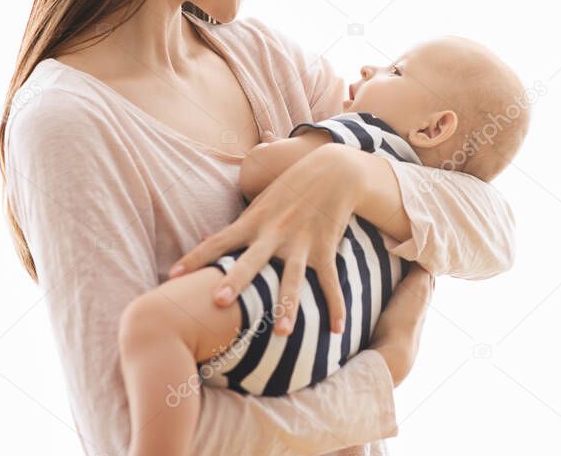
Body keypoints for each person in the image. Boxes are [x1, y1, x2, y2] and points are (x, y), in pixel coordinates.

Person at [0, 0, 516, 455]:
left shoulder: (268, 61)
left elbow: (493, 234)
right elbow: (129, 435)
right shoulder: (67, 122)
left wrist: (354, 176)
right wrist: (378, 377)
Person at [118, 36, 530, 456]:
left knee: (154, 325)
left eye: (396, 71)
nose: (370, 69)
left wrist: (272, 149)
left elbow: (258, 171)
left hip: (277, 312)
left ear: (432, 128)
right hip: (328, 360)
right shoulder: (416, 217)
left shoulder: (367, 137)